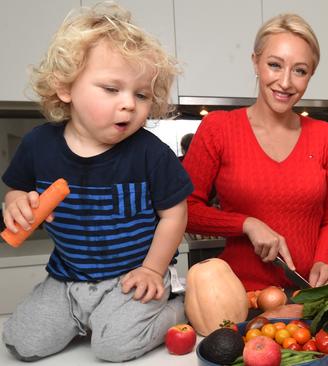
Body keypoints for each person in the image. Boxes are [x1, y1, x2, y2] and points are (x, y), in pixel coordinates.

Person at [1, 2, 193, 362]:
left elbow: (175, 214)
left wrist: (153, 269)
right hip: (66, 279)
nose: (129, 105)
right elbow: (16, 190)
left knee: (113, 348)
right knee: (21, 341)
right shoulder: (38, 145)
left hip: (132, 276)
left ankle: (176, 307)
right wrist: (15, 204)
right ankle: (85, 318)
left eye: (141, 94)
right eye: (111, 89)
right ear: (65, 88)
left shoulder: (151, 153)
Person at [182, 13, 328, 290]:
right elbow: (184, 211)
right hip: (239, 294)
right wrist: (246, 224)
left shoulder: (326, 137)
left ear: (311, 75)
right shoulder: (218, 128)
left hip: (307, 293)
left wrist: (324, 261)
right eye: (274, 65)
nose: (285, 82)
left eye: (300, 70)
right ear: (255, 62)